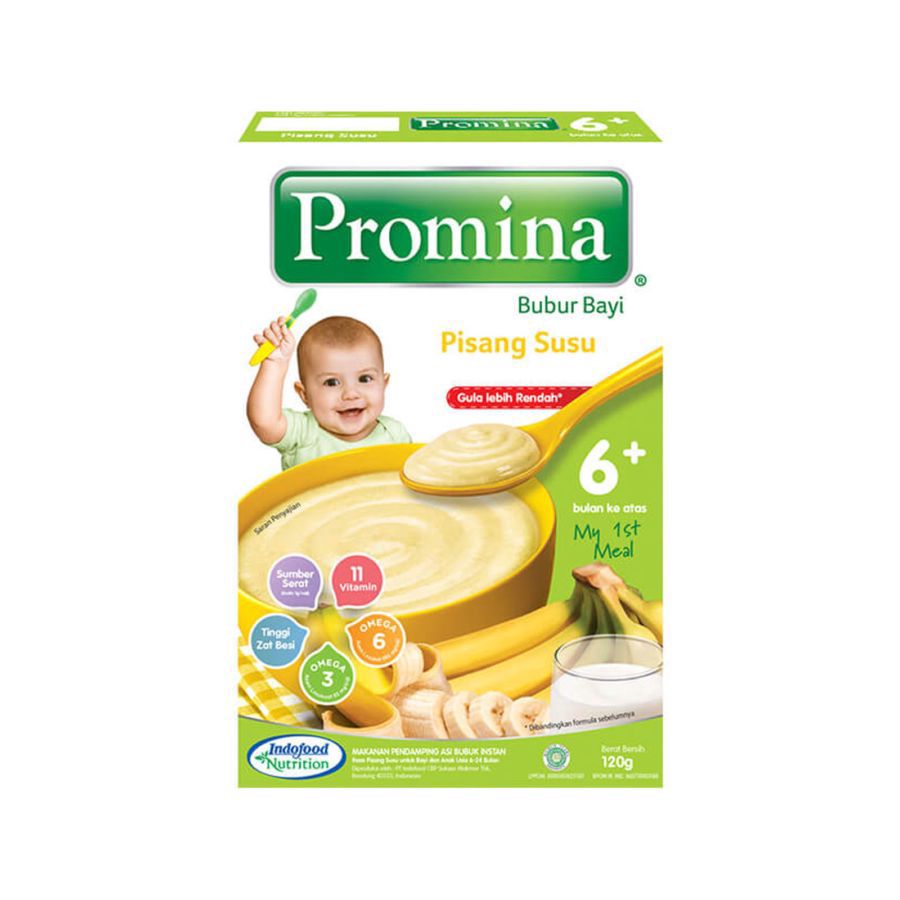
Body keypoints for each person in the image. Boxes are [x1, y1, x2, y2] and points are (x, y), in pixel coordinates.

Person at [247, 315, 411, 469]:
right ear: (304, 395)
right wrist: (275, 364)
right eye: (332, 382)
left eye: (365, 379)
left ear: (384, 384)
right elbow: (264, 422)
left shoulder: (395, 435)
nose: (351, 394)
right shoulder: (303, 432)